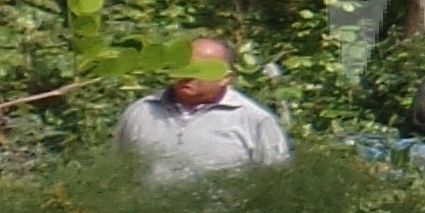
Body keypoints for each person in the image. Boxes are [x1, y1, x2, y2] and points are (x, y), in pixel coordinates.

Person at [117, 35, 295, 183]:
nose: (188, 74)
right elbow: (118, 172)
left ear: (225, 78)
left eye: (201, 69)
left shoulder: (254, 120)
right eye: (183, 65)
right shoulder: (141, 111)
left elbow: (277, 183)